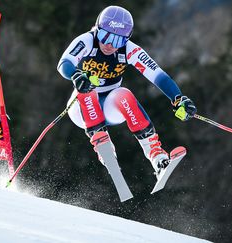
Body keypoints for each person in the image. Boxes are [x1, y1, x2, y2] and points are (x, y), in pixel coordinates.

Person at [56, 5, 197, 175]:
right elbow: (64, 63)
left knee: (124, 94)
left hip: (110, 108)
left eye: (117, 41)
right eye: (104, 36)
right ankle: (104, 147)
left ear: (126, 40)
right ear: (96, 29)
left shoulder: (130, 50)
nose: (109, 44)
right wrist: (76, 75)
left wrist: (178, 98)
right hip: (81, 110)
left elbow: (158, 75)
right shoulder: (87, 41)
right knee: (88, 91)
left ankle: (158, 158)